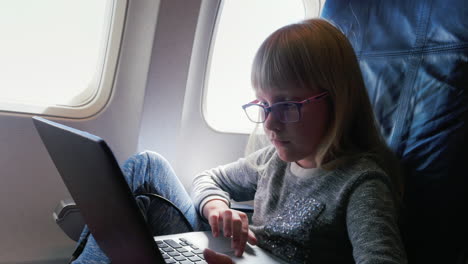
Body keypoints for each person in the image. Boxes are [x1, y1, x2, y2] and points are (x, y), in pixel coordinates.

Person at [71, 18, 407, 264]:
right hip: (239, 254)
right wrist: (217, 207)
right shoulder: (274, 161)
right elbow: (210, 178)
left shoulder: (361, 184)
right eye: (263, 105)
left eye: (287, 105)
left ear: (337, 100)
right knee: (147, 167)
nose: (271, 124)